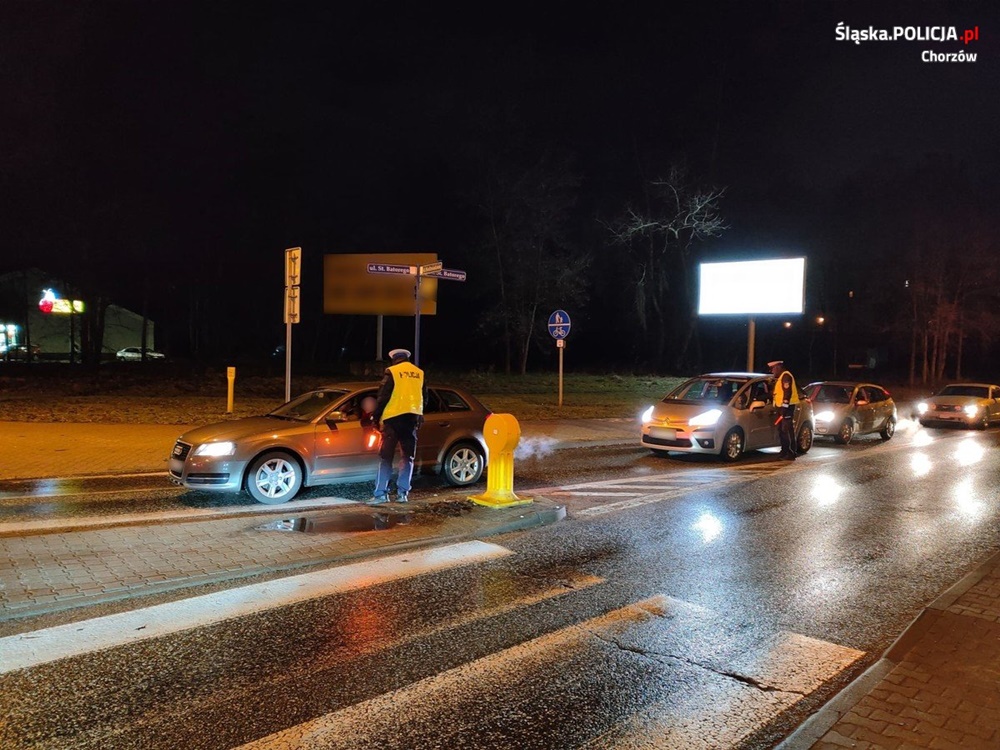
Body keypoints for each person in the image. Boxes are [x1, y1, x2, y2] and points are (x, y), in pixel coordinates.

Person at [368, 348, 425, 504]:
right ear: (407, 358)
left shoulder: (392, 371)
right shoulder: (419, 373)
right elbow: (423, 397)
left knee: (385, 458)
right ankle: (402, 494)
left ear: (394, 359)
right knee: (408, 458)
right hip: (411, 420)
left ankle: (380, 494)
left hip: (392, 421)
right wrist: (419, 415)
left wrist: (375, 417)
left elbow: (383, 396)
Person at [768, 359, 799, 460]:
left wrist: (784, 409)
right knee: (782, 430)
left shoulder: (786, 376)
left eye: (773, 369)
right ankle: (784, 450)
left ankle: (791, 452)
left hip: (787, 408)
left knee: (786, 429)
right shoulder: (781, 377)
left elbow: (787, 393)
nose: (772, 371)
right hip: (781, 407)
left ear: (778, 367)